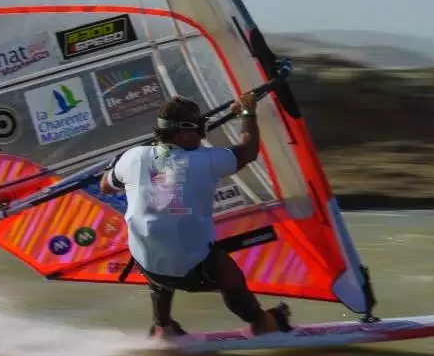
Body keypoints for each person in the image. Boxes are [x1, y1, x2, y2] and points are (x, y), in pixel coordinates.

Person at [100, 92, 292, 339]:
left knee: (159, 247)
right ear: (184, 131)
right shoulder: (206, 160)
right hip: (192, 268)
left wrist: (115, 165)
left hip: (147, 264)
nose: (203, 136)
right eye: (200, 129)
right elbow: (248, 150)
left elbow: (106, 186)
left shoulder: (133, 156)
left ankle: (162, 326)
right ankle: (261, 323)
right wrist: (247, 112)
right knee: (229, 276)